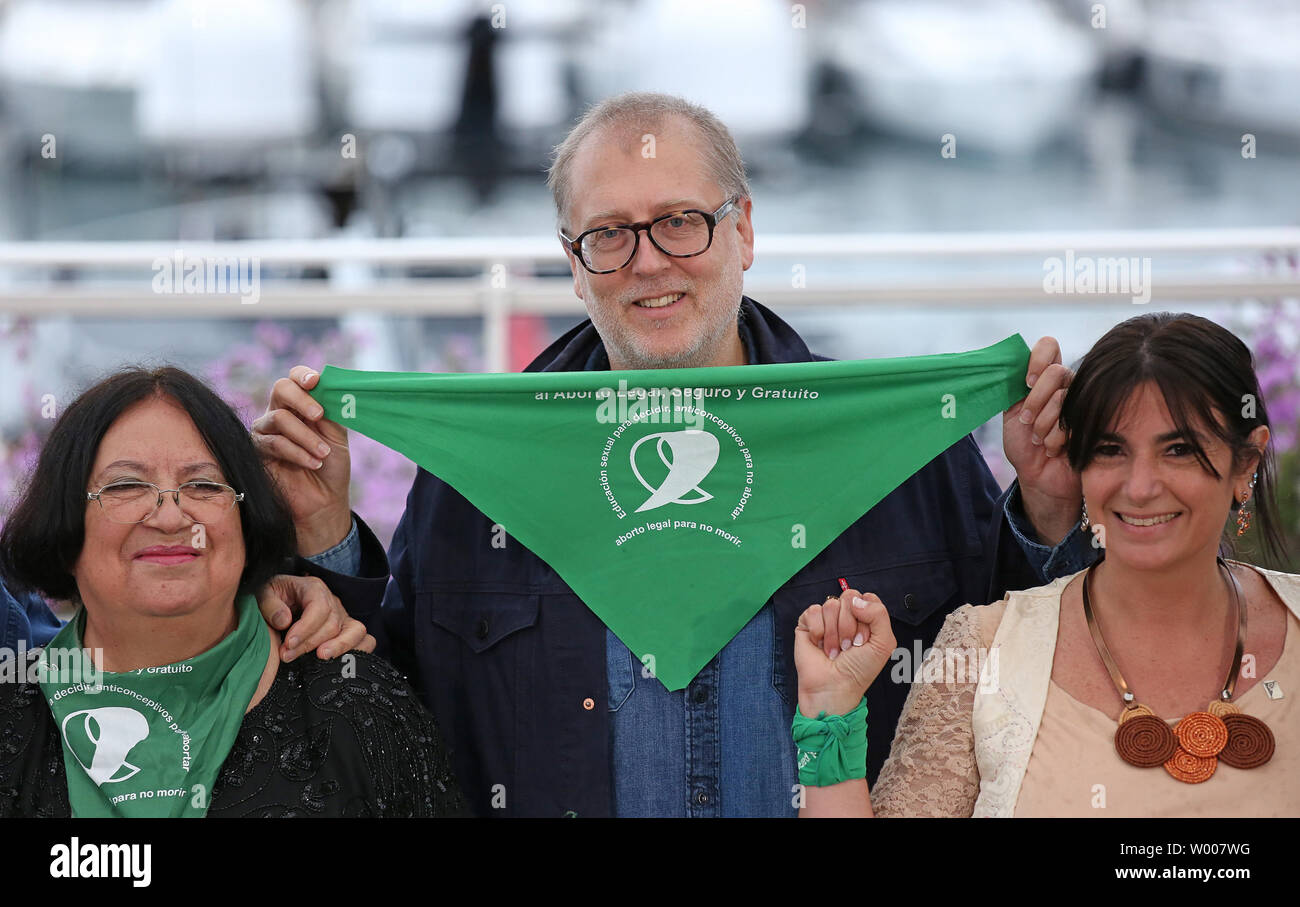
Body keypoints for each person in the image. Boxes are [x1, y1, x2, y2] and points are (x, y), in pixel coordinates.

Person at [255, 91, 1095, 817]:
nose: (648, 260)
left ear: (745, 229)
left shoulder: (898, 451)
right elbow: (392, 718)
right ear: (573, 266)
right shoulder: (482, 482)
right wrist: (326, 533)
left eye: (679, 222)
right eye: (610, 235)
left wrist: (1048, 505)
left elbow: (1016, 671)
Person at [794, 312, 1299, 817]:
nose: (1140, 486)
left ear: (1247, 464)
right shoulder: (980, 648)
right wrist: (828, 713)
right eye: (1109, 450)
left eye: (1179, 450)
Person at [0, 367, 464, 817]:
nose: (170, 517)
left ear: (247, 523)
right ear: (63, 526)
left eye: (203, 485)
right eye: (125, 486)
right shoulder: (12, 719)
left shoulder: (362, 709)